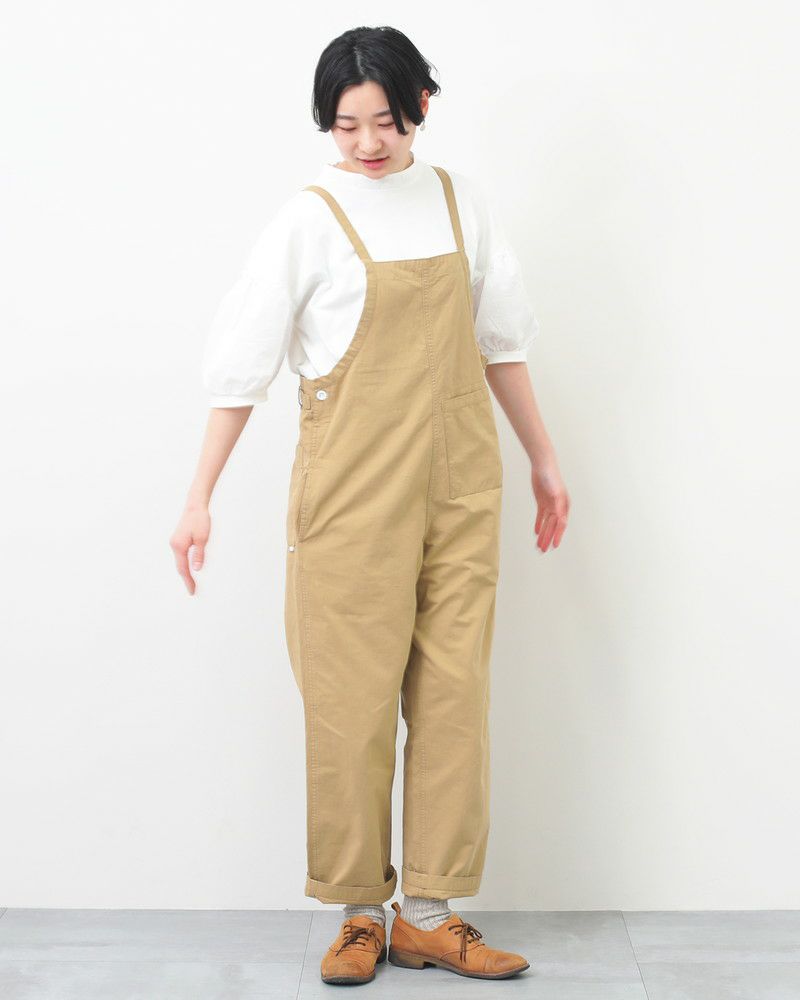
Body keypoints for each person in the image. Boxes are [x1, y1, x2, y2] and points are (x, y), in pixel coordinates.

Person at [171, 25, 569, 986]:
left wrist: (544, 460)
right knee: (349, 708)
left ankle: (429, 915)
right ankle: (358, 913)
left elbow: (502, 343)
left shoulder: (459, 202)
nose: (366, 143)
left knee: (455, 698)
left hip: (462, 486)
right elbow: (242, 369)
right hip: (350, 496)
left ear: (421, 106)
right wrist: (198, 497)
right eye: (345, 125)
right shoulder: (307, 220)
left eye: (384, 121)